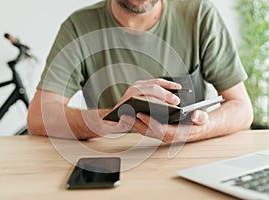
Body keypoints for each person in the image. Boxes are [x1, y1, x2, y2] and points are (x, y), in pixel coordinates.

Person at [27, 0, 253, 143]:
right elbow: (39, 117)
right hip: (113, 163)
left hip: (187, 160)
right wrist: (112, 118)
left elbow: (242, 108)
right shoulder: (78, 26)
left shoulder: (199, 15)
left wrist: (193, 132)